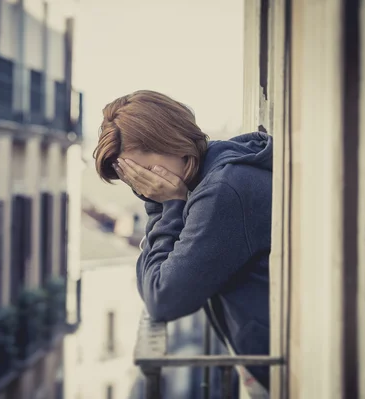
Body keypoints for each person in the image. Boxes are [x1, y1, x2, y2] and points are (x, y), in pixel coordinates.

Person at [93, 90, 272, 396]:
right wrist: (160, 203)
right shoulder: (219, 174)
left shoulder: (223, 191)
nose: (143, 185)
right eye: (133, 181)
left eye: (145, 172)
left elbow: (162, 299)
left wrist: (168, 206)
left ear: (172, 142)